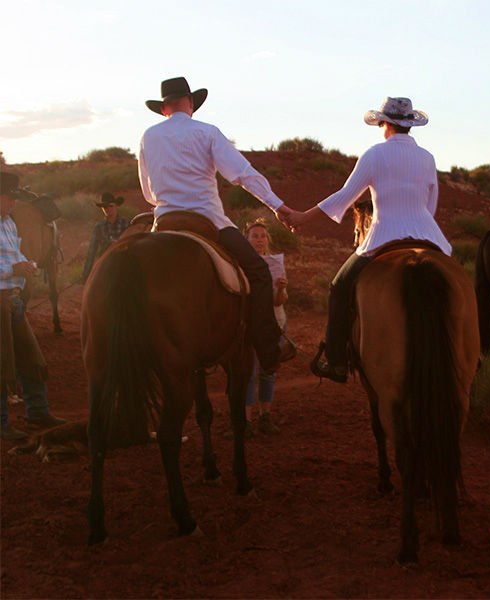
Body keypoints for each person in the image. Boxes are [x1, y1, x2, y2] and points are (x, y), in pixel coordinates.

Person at [287, 97, 452, 383]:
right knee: (455, 285)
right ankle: (470, 355)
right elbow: (431, 205)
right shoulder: (427, 158)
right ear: (409, 126)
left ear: (385, 124)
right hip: (429, 236)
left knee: (339, 288)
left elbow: (345, 196)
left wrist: (302, 217)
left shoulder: (375, 154)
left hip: (383, 235)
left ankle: (336, 361)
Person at [138, 76, 295, 374]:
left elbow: (148, 193)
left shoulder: (148, 136)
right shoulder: (207, 132)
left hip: (164, 221)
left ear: (163, 109)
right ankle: (268, 347)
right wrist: (278, 206)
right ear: (191, 103)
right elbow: (242, 174)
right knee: (260, 273)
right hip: (208, 220)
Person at [0, 172, 66, 440]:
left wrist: (28, 265)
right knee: (2, 364)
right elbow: (8, 264)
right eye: (9, 199)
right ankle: (2, 425)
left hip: (13, 300)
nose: (14, 204)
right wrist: (12, 269)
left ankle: (38, 412)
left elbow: (17, 255)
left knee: (32, 359)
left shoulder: (9, 223)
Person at [244, 219, 288, 436]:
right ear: (247, 239)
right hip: (249, 324)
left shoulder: (275, 264)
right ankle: (245, 421)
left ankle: (265, 417)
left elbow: (279, 302)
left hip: (274, 322)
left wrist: (280, 289)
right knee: (248, 373)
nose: (260, 240)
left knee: (267, 371)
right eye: (255, 236)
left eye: (262, 236)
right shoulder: (241, 265)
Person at [82, 192, 130, 282]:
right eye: (105, 207)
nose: (108, 209)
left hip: (124, 263)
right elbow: (92, 251)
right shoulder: (99, 227)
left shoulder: (126, 224)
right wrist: (86, 273)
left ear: (116, 206)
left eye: (111, 206)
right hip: (105, 264)